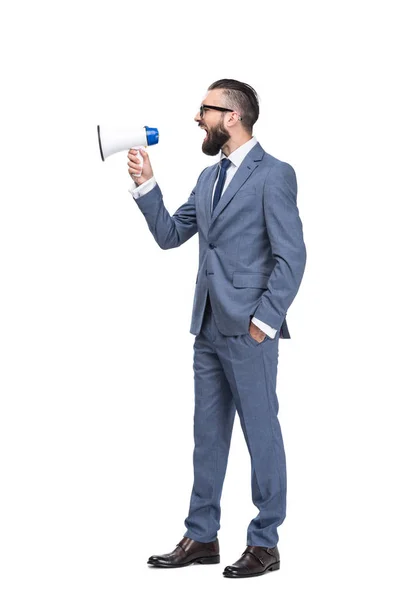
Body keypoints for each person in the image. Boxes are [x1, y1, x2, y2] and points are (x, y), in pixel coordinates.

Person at [127, 79, 307, 578]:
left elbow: (292, 257)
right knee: (207, 437)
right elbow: (170, 235)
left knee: (261, 433)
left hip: (249, 329)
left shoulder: (275, 175)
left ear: (232, 116)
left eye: (204, 109)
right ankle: (202, 536)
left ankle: (265, 543)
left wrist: (264, 323)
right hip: (206, 326)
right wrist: (146, 182)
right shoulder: (209, 179)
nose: (196, 118)